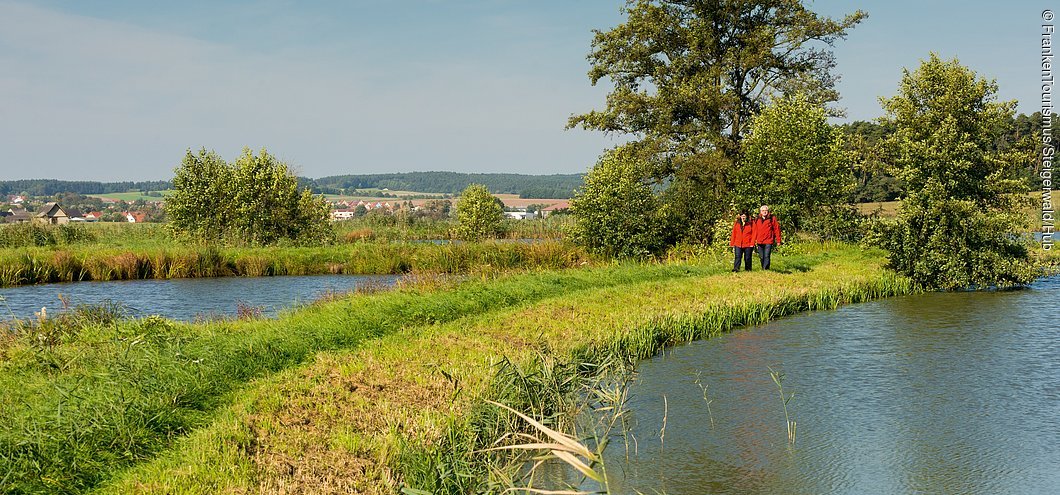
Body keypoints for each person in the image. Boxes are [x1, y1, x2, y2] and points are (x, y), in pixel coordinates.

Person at [752, 205, 782, 270]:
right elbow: (754, 230)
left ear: (768, 211)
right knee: (761, 257)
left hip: (768, 240)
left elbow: (776, 229)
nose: (764, 212)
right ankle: (763, 267)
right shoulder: (757, 219)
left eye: (766, 210)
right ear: (760, 212)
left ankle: (766, 269)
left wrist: (778, 240)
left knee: (766, 256)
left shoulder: (772, 218)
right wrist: (753, 241)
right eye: (763, 211)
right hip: (760, 241)